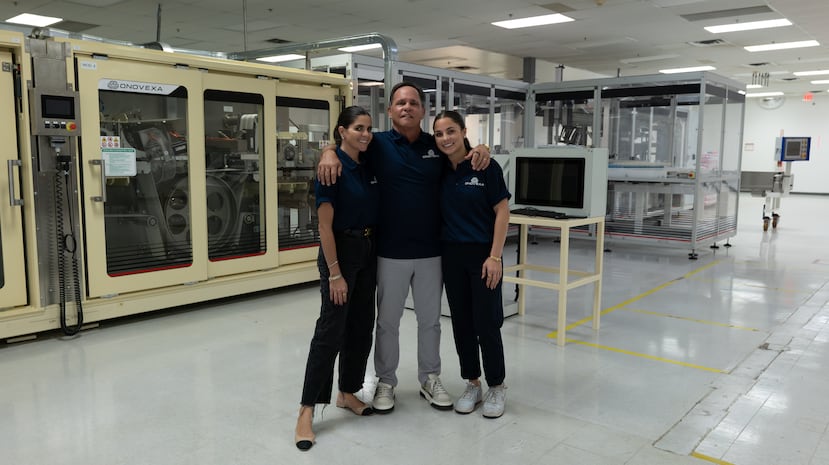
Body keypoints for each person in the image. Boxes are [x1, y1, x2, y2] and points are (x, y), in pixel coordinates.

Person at [317, 82, 490, 413]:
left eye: (413, 102)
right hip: (389, 252)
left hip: (431, 252)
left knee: (430, 321)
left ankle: (430, 378)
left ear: (422, 110)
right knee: (387, 322)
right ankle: (386, 381)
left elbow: (462, 151)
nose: (406, 107)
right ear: (390, 110)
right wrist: (327, 151)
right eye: (400, 103)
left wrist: (483, 147)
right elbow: (346, 143)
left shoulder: (435, 145)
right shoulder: (377, 143)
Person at [295, 106, 378, 451]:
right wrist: (335, 274)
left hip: (369, 250)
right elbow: (324, 227)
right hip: (340, 252)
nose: (365, 134)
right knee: (330, 331)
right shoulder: (331, 169)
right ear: (342, 131)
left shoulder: (368, 163)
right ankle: (306, 410)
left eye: (369, 128)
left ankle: (347, 391)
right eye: (358, 128)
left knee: (361, 325)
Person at [432, 110, 510, 418]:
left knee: (486, 323)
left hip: (483, 255)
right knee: (462, 323)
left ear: (464, 131)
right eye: (439, 134)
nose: (445, 138)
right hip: (451, 256)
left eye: (451, 131)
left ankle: (497, 385)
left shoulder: (485, 165)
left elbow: (502, 211)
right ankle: (473, 383)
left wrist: (495, 256)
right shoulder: (438, 168)